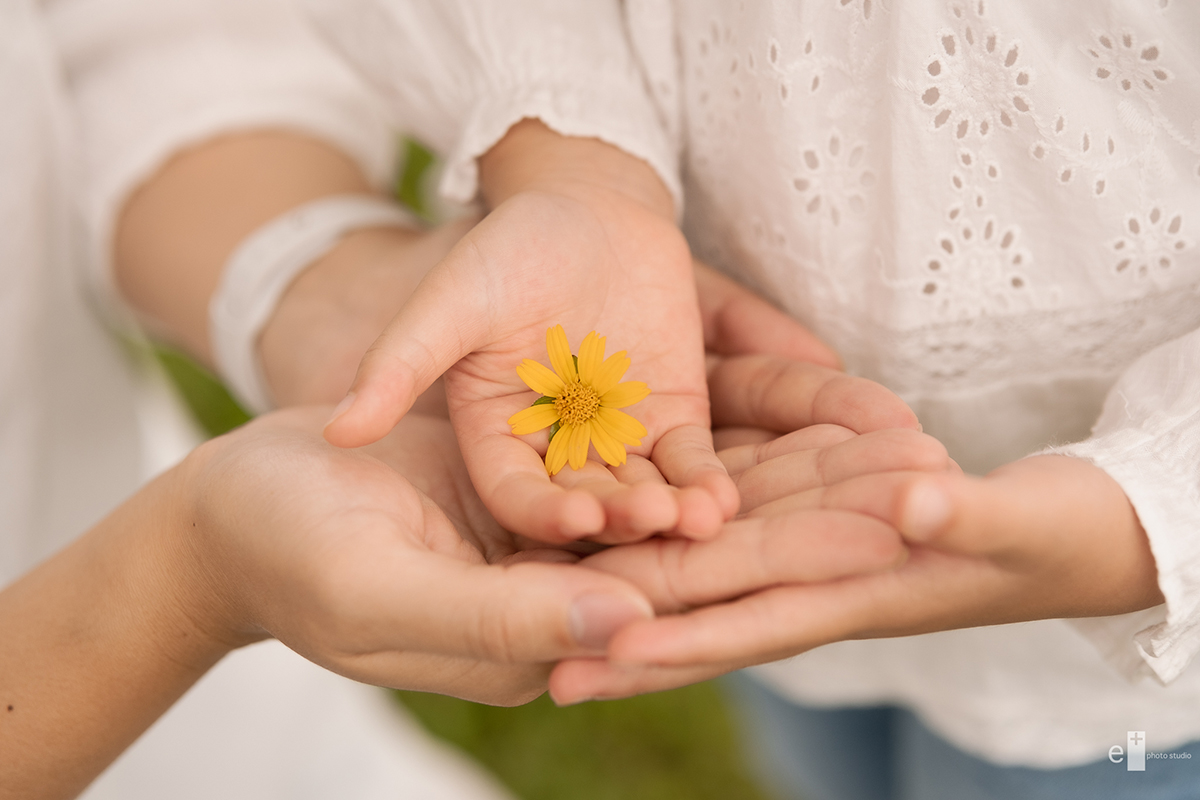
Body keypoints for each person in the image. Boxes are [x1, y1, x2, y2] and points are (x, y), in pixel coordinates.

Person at [301, 0, 1200, 797]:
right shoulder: (597, 393)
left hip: (1122, 680)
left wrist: (1150, 509)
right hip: (751, 437)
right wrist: (573, 169)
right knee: (820, 748)